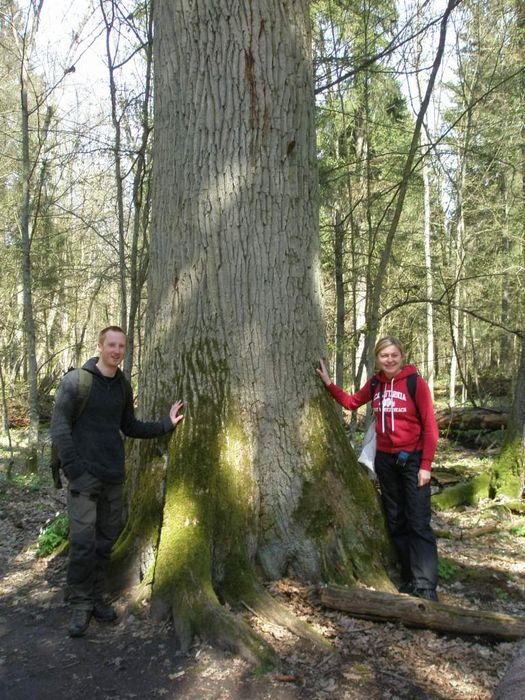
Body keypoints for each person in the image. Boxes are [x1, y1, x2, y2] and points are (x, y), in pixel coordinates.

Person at [51, 326, 184, 637]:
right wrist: (75, 470)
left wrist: (166, 424)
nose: (116, 351)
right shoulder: (76, 382)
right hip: (84, 478)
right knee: (82, 544)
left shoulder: (123, 386)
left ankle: (96, 597)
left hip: (113, 477)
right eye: (111, 345)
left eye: (121, 346)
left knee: (104, 543)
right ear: (100, 345)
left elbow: (129, 425)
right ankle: (80, 605)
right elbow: (59, 429)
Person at [317, 336, 439, 601]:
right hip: (385, 461)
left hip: (414, 462)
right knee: (395, 520)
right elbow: (351, 403)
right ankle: (409, 578)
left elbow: (430, 427)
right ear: (377, 359)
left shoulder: (414, 383)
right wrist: (328, 384)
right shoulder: (375, 384)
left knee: (418, 521)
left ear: (402, 356)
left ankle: (426, 586)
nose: (390, 359)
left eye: (394, 354)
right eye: (384, 356)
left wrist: (426, 466)